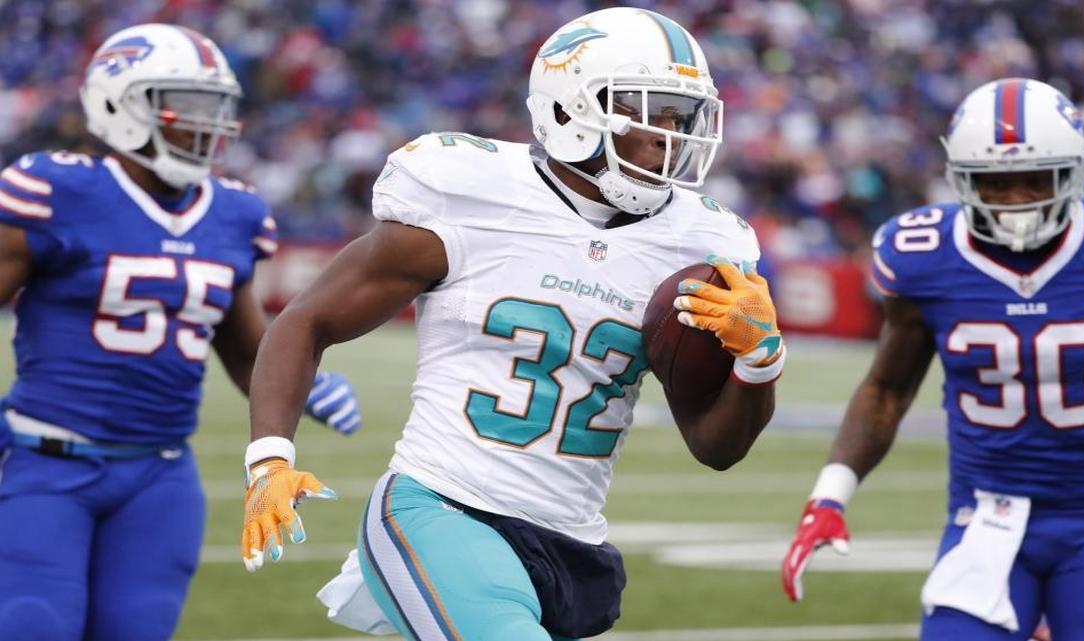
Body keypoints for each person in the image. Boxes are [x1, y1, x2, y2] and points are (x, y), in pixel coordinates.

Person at [239, 7, 784, 641]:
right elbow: (306, 320)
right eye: (648, 111)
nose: (668, 135)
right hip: (443, 507)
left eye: (678, 117)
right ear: (570, 109)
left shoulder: (700, 243)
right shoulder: (467, 196)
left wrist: (760, 361)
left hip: (572, 542)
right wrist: (269, 460)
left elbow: (717, 448)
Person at [0, 23, 361, 641]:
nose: (208, 125)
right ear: (121, 104)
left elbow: (246, 350)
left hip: (158, 477)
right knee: (34, 626)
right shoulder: (55, 189)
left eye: (217, 108)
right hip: (43, 462)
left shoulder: (233, 212)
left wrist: (303, 383)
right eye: (187, 106)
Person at [781, 77, 1084, 641]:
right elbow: (887, 389)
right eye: (996, 183)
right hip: (986, 520)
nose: (1018, 199)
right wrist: (828, 496)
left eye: (1034, 179)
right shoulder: (924, 255)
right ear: (962, 181)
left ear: (1074, 173)